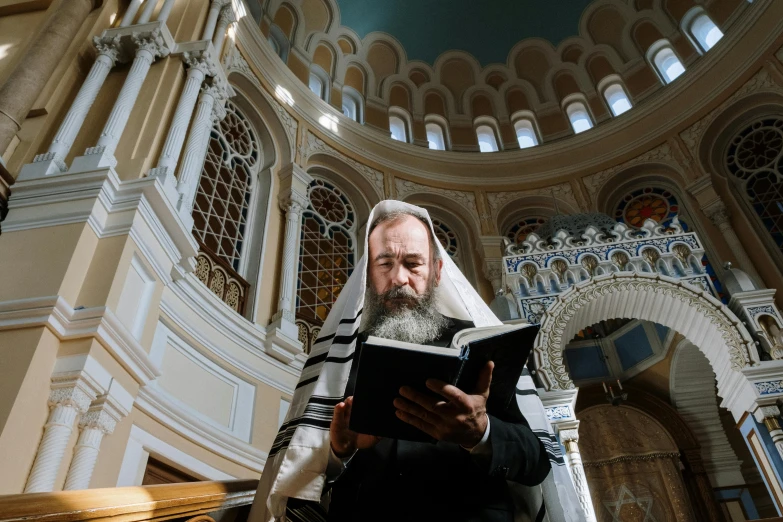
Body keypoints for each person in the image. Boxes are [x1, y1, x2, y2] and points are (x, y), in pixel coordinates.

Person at [249, 201, 584, 522]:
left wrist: (480, 432)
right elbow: (301, 476)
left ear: (437, 272)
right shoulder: (342, 354)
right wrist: (339, 451)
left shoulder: (481, 343)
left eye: (413, 263)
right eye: (385, 264)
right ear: (369, 274)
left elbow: (538, 463)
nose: (398, 279)